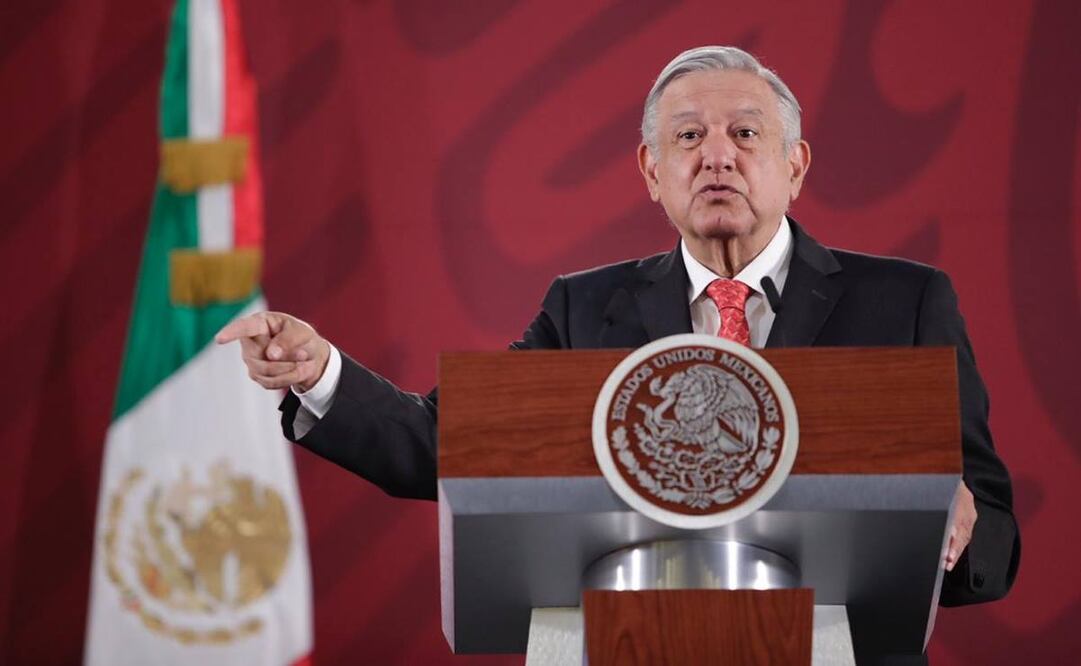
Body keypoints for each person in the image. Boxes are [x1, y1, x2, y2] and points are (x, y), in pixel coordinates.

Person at [217, 46, 1019, 661]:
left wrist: (949, 524)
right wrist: (320, 372)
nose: (716, 156)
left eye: (745, 134)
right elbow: (445, 447)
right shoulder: (583, 307)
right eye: (687, 138)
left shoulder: (904, 302)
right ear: (651, 171)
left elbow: (994, 538)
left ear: (794, 165)